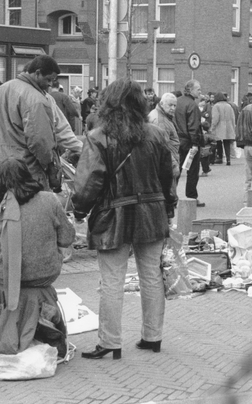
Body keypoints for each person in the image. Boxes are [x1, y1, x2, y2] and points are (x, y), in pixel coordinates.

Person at [72, 79, 176, 359]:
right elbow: (168, 177)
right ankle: (153, 337)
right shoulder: (155, 134)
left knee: (112, 280)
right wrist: (170, 206)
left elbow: (88, 182)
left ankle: (110, 342)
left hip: (114, 214)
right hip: (152, 213)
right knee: (152, 276)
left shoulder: (98, 136)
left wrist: (80, 211)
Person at [0, 158, 75, 356]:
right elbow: (67, 238)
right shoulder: (49, 200)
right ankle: (45, 325)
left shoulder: (3, 207)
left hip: (10, 280)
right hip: (45, 274)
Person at [0, 55, 59, 189]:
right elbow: (40, 141)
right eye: (48, 79)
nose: (50, 84)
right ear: (37, 73)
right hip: (26, 170)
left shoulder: (3, 88)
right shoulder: (36, 100)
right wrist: (49, 165)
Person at [174, 79, 205, 206]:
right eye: (198, 89)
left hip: (177, 140)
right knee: (192, 171)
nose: (200, 91)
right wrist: (195, 144)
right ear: (191, 90)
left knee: (176, 170)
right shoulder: (192, 105)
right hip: (189, 142)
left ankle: (171, 197)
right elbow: (193, 126)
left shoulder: (177, 102)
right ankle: (191, 197)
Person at [148, 92, 180, 181]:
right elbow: (163, 148)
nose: (173, 108)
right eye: (170, 105)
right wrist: (173, 166)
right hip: (166, 166)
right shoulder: (161, 121)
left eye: (174, 105)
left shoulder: (159, 114)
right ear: (162, 104)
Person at [210, 93, 236, 166]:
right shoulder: (229, 106)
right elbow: (233, 117)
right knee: (227, 142)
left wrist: (212, 127)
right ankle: (228, 159)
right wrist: (233, 126)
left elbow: (215, 118)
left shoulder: (216, 106)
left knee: (218, 142)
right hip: (228, 125)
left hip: (219, 126)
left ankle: (219, 157)